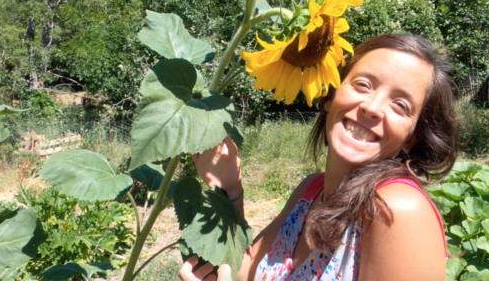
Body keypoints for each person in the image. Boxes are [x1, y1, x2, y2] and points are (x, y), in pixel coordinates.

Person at [180, 34, 459, 281]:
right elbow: (245, 271)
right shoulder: (310, 191)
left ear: (412, 138)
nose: (372, 107)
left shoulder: (396, 210)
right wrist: (231, 189)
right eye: (363, 85)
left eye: (400, 105)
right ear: (331, 96)